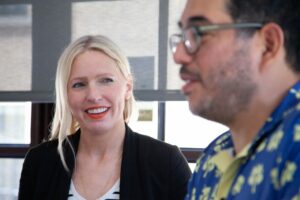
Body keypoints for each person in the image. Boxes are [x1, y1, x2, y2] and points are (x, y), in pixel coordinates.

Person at [18, 35, 191, 200]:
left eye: (106, 80)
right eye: (79, 84)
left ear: (128, 88)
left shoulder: (166, 162)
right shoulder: (39, 162)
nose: (93, 95)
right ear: (66, 95)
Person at [169, 0, 300, 199]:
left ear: (267, 44)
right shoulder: (213, 157)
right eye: (183, 36)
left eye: (199, 33)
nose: (178, 55)